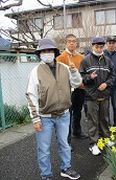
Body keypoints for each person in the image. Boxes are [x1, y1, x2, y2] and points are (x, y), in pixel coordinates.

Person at [26, 38, 81, 180]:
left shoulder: (65, 68)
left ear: (55, 52)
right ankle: (46, 175)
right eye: (43, 51)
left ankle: (66, 168)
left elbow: (77, 83)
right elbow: (31, 95)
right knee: (44, 149)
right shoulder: (36, 71)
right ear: (39, 54)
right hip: (45, 117)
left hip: (64, 114)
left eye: (49, 50)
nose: (47, 53)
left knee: (65, 144)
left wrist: (74, 72)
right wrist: (35, 118)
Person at [80, 37, 115, 156]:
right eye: (97, 46)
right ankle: (93, 144)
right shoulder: (86, 61)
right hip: (91, 96)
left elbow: (112, 76)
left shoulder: (108, 61)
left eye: (101, 47)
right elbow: (82, 79)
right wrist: (90, 77)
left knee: (105, 119)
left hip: (105, 95)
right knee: (92, 121)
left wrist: (106, 84)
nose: (99, 49)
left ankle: (106, 138)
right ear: (92, 46)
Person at [57, 34, 88, 144]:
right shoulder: (60, 58)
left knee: (78, 112)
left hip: (80, 90)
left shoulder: (81, 57)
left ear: (76, 43)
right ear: (66, 43)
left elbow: (84, 72)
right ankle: (67, 141)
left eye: (74, 41)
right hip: (67, 91)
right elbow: (59, 76)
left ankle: (77, 131)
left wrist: (82, 82)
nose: (71, 43)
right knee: (67, 115)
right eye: (69, 41)